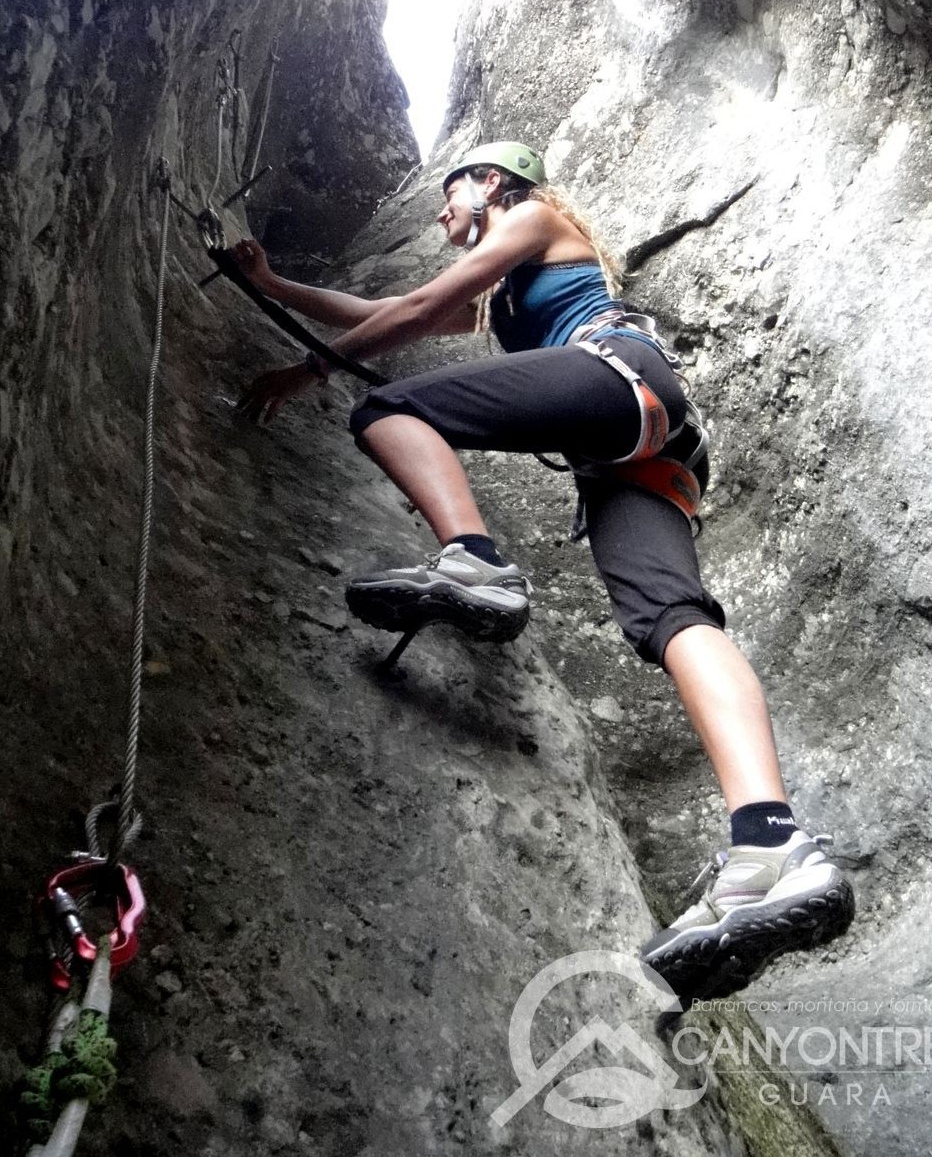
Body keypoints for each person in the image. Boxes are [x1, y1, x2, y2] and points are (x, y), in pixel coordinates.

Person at [232, 141, 854, 1000]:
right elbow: (377, 304)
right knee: (674, 621)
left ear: (491, 183)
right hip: (644, 449)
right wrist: (277, 289)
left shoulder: (537, 219)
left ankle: (475, 560)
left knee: (387, 406)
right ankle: (772, 843)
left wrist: (305, 371)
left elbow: (412, 308)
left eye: (450, 196)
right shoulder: (507, 293)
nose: (441, 215)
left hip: (618, 380)